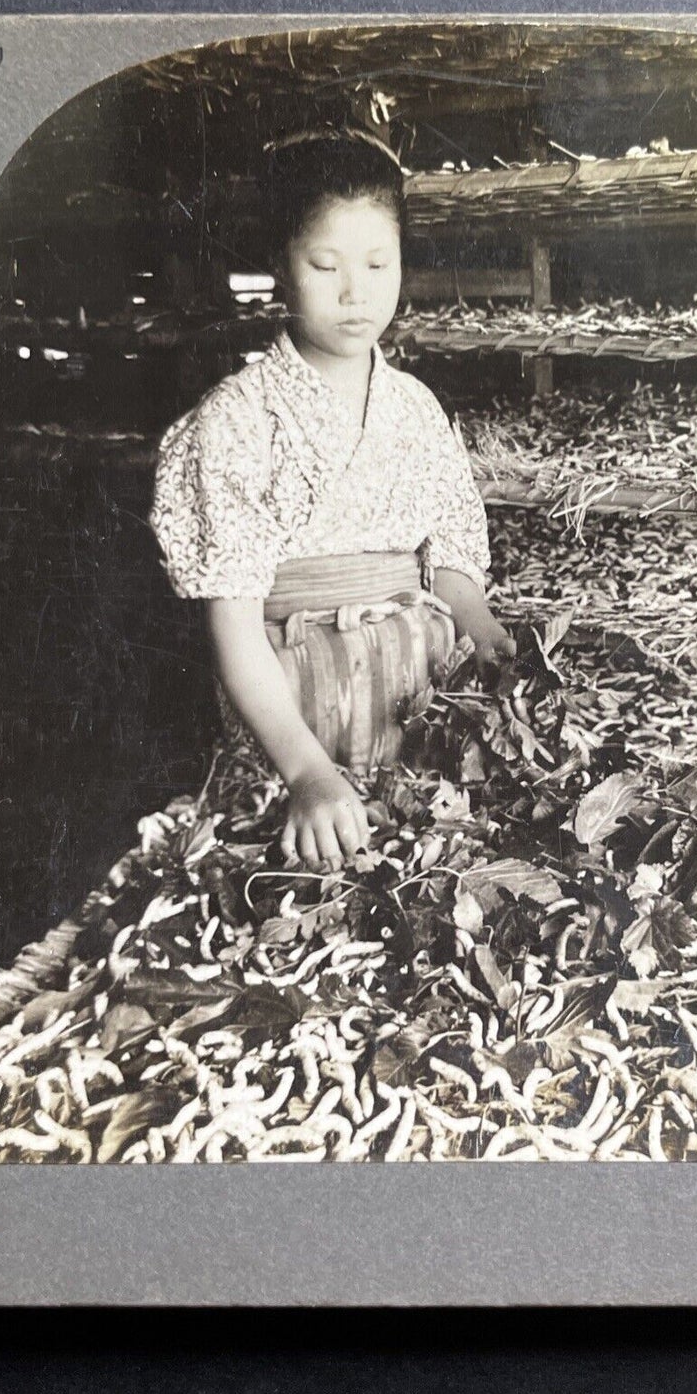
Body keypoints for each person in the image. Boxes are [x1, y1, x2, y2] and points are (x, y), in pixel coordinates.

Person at [149, 128, 515, 875]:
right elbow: (235, 624)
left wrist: (484, 634)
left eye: (379, 264)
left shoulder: (413, 407)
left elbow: (447, 557)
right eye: (325, 265)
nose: (356, 292)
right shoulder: (235, 419)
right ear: (280, 268)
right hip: (291, 731)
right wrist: (308, 775)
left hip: (421, 723)